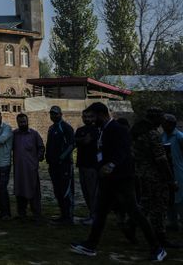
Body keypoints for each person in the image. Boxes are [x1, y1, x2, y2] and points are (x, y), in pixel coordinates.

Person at [71, 102, 166, 261]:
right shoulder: (103, 130)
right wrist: (101, 166)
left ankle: (157, 248)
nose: (92, 120)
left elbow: (124, 150)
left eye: (94, 117)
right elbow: (102, 151)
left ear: (102, 114)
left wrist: (111, 164)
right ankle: (90, 246)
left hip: (122, 178)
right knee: (100, 213)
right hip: (108, 179)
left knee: (134, 212)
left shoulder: (117, 129)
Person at [131, 108, 174, 248]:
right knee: (159, 206)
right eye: (161, 118)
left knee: (145, 204)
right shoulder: (153, 134)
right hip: (155, 176)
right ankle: (160, 236)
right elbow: (161, 159)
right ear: (156, 119)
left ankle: (130, 226)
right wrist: (170, 179)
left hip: (141, 174)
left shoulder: (137, 132)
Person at [12, 113, 45, 220]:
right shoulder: (14, 135)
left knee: (34, 190)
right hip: (19, 170)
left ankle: (36, 213)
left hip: (31, 169)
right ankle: (22, 213)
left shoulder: (34, 134)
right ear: (17, 123)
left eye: (24, 122)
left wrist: (37, 159)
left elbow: (41, 147)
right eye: (20, 122)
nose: (22, 124)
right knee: (20, 190)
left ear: (27, 122)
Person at [46, 105, 75, 224]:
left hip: (64, 165)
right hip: (53, 165)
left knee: (66, 190)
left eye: (56, 114)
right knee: (57, 190)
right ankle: (63, 214)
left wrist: (62, 157)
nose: (54, 116)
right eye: (52, 114)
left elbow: (72, 144)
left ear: (61, 114)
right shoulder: (51, 128)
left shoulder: (66, 127)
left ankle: (68, 216)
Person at [75, 109, 99, 223]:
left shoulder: (96, 130)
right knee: (85, 191)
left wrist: (81, 140)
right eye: (85, 116)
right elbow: (75, 141)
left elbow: (86, 141)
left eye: (90, 116)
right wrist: (81, 140)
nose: (87, 119)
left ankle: (94, 216)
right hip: (81, 164)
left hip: (91, 165)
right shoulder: (80, 130)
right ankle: (91, 214)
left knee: (92, 192)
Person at [162, 114, 183, 231]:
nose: (163, 125)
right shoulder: (163, 136)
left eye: (165, 123)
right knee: (170, 198)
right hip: (168, 171)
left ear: (172, 124)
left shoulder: (179, 137)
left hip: (179, 171)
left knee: (180, 198)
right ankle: (172, 222)